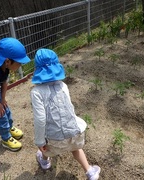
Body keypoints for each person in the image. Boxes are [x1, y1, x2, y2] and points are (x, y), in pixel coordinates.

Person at [30, 48, 101, 180]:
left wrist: (40, 141)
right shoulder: (63, 85)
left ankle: (44, 161)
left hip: (54, 139)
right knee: (76, 149)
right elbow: (69, 108)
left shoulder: (36, 92)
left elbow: (40, 119)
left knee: (46, 150)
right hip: (74, 132)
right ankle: (90, 172)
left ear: (37, 70)